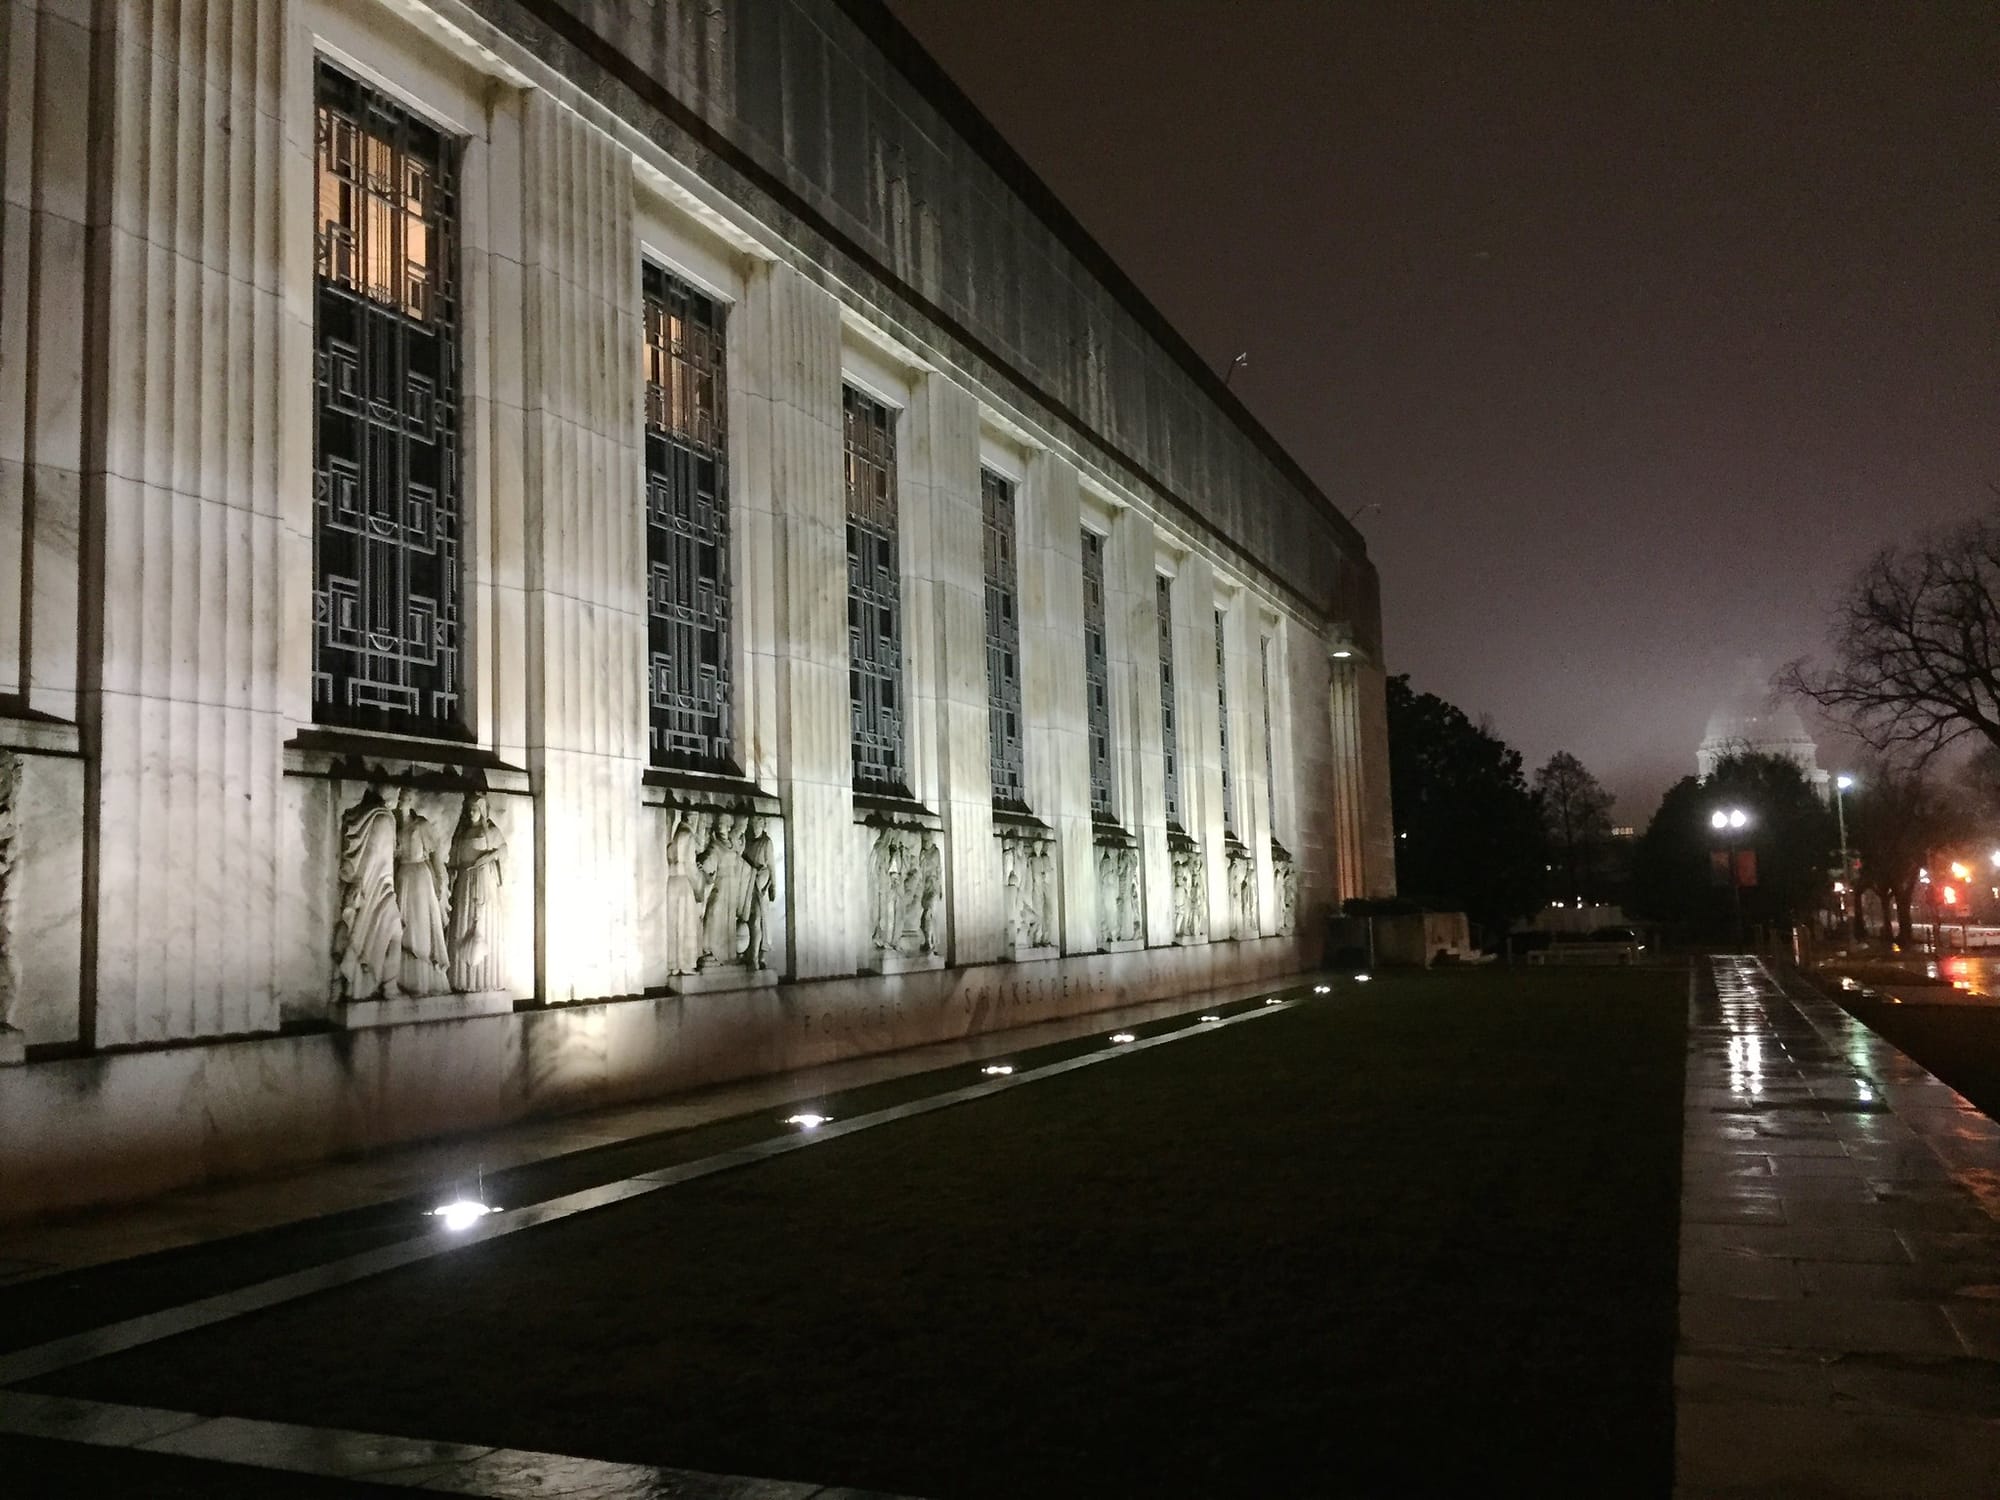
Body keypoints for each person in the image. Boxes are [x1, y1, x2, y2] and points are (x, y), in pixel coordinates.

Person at [448, 793, 507, 993]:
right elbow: (455, 859)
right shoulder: (462, 833)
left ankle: (485, 978)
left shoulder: (490, 831)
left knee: (483, 924)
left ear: (482, 810)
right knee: (464, 922)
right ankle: (463, 979)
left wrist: (490, 856)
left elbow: (503, 850)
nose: (471, 812)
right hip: (465, 881)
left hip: (484, 880)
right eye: (469, 809)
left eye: (475, 808)